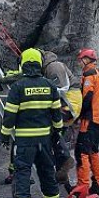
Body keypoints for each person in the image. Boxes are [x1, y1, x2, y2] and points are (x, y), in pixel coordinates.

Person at [0, 48, 64, 198]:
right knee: (47, 172)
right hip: (45, 140)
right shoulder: (50, 86)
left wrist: (4, 136)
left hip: (24, 141)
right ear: (39, 64)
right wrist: (57, 132)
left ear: (23, 65)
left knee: (22, 172)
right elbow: (57, 116)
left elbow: (9, 116)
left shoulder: (18, 87)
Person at [40, 51, 78, 188]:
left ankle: (65, 158)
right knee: (54, 135)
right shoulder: (50, 67)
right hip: (68, 101)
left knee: (51, 130)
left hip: (69, 102)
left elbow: (60, 89)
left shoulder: (53, 66)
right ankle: (63, 177)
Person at [74, 48, 99, 196]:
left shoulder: (89, 75)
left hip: (89, 119)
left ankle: (83, 187)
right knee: (94, 151)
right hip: (98, 118)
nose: (80, 63)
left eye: (81, 60)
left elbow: (86, 98)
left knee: (82, 152)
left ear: (86, 60)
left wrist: (77, 115)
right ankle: (98, 184)